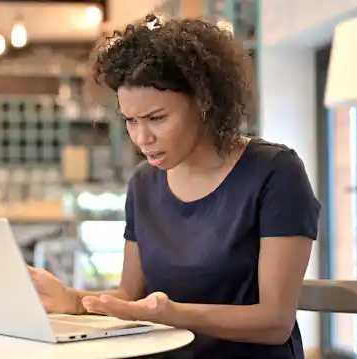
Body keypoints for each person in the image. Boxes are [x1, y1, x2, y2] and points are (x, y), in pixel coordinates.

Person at [28, 13, 320, 359]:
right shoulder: (143, 184)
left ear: (204, 103)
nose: (141, 138)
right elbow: (130, 295)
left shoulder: (274, 173)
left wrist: (172, 314)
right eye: (130, 122)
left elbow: (275, 322)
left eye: (156, 118)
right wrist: (76, 302)